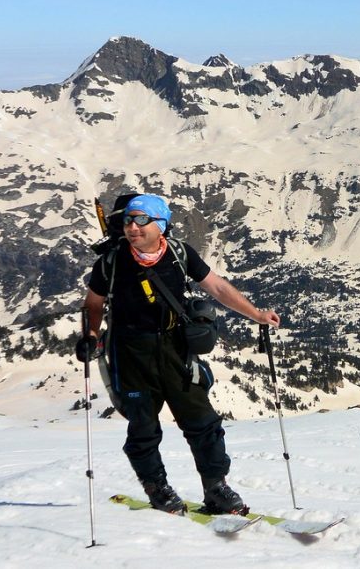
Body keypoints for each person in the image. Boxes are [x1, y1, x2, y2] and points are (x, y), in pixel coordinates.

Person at [76, 193, 280, 514]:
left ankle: (216, 488)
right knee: (143, 426)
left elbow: (218, 287)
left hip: (176, 348)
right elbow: (93, 304)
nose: (133, 227)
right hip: (130, 352)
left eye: (142, 220)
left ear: (161, 225)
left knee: (202, 421)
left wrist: (256, 314)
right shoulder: (111, 262)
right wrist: (89, 335)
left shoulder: (180, 253)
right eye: (129, 220)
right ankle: (157, 487)